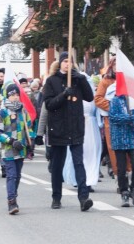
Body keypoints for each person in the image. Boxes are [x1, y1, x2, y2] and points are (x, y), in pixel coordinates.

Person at [43, 52, 94, 211]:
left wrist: (82, 79)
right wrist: (64, 95)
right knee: (57, 165)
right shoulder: (51, 81)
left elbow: (90, 97)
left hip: (75, 127)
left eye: (70, 61)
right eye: (65, 61)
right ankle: (56, 197)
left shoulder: (78, 80)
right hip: (58, 128)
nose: (67, 64)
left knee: (79, 163)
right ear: (60, 63)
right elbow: (49, 104)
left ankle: (83, 197)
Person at [0, 84, 32, 214]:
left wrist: (31, 140)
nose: (15, 97)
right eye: (13, 95)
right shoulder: (1, 113)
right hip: (8, 149)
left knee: (18, 175)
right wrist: (11, 141)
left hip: (21, 149)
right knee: (12, 175)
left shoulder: (22, 109)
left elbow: (28, 127)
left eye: (17, 95)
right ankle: (12, 202)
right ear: (7, 96)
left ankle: (13, 195)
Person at [63, 73, 102, 193]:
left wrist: (100, 123)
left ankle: (89, 180)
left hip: (91, 127)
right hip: (77, 126)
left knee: (91, 154)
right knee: (79, 154)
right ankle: (78, 179)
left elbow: (97, 111)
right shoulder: (74, 95)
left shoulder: (91, 96)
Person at [109, 89, 134, 207]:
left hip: (133, 138)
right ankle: (124, 191)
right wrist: (128, 118)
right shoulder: (115, 100)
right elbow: (113, 117)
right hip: (119, 138)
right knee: (121, 167)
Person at [94, 56, 119, 179]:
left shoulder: (128, 80)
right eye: (115, 65)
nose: (117, 67)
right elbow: (98, 99)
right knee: (112, 146)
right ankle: (117, 172)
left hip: (127, 118)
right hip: (111, 118)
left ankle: (129, 169)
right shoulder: (106, 81)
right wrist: (114, 107)